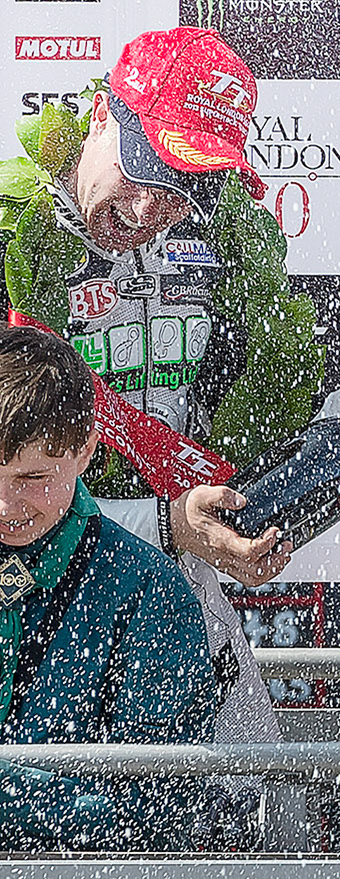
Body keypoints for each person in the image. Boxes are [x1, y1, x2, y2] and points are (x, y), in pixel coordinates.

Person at [0, 26, 340, 844]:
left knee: (254, 811)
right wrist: (167, 525)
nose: (149, 210)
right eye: (147, 170)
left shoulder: (227, 243)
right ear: (104, 112)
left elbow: (263, 431)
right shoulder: (10, 232)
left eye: (184, 188)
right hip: (30, 597)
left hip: (172, 596)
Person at [0, 322, 218, 851]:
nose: (5, 505)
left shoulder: (150, 592)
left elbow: (156, 804)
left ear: (85, 451)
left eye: (33, 478)